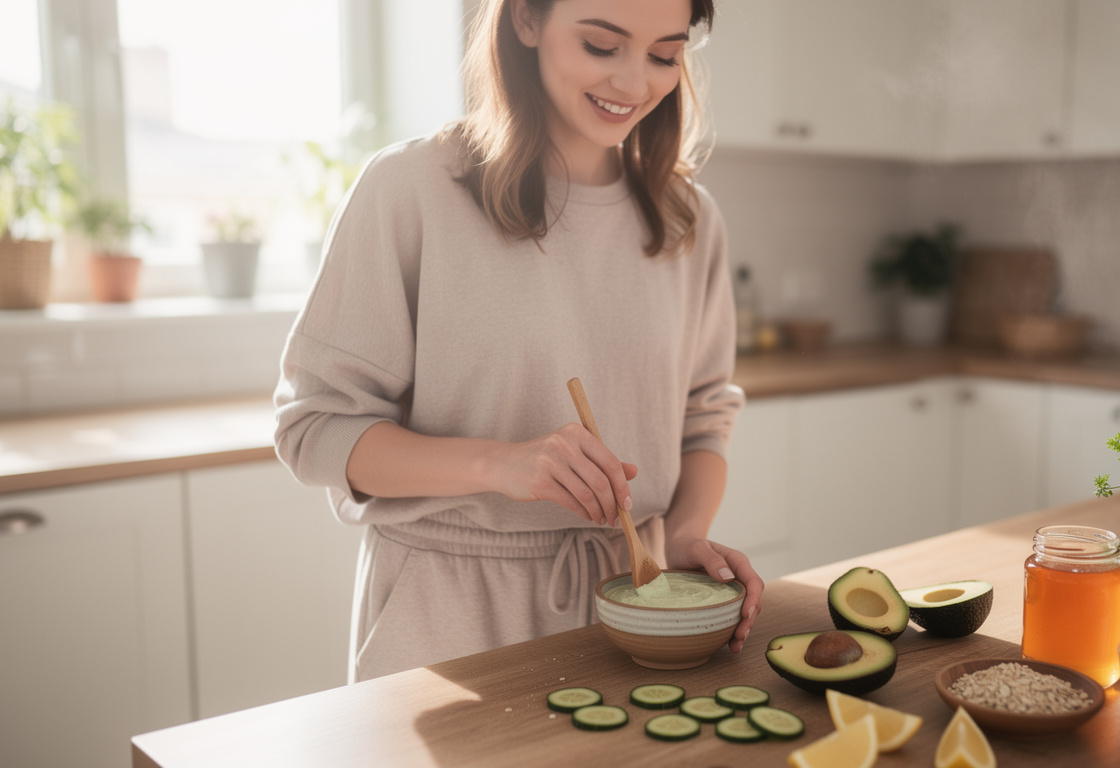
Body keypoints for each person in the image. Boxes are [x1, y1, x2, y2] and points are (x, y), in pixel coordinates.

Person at [273, 0, 762, 682]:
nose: (634, 83)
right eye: (601, 45)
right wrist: (500, 465)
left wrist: (683, 534)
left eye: (664, 55)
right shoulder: (410, 190)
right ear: (526, 20)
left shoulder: (690, 220)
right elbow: (315, 431)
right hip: (446, 616)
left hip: (633, 611)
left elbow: (704, 417)